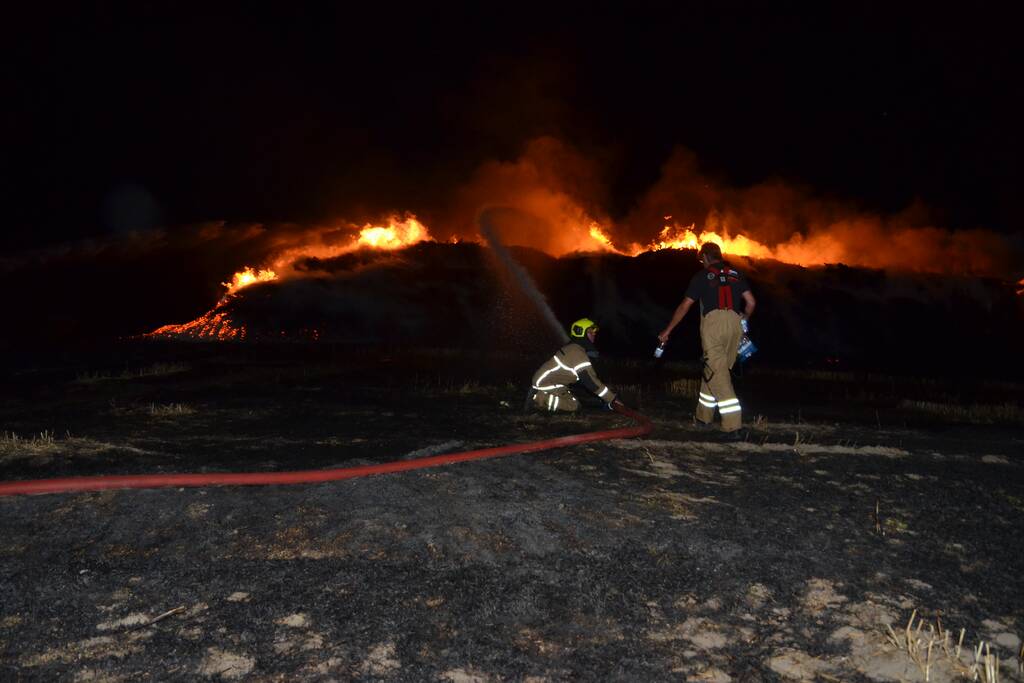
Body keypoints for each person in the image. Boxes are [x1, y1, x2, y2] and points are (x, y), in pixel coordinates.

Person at [658, 243, 756, 434]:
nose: (701, 263)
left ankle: (733, 426)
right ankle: (704, 417)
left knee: (718, 374)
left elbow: (685, 306)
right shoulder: (736, 274)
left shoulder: (702, 276)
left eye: (701, 259)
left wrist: (667, 330)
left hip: (713, 325)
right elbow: (751, 302)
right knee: (715, 369)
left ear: (705, 257)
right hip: (735, 324)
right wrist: (743, 319)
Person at [530, 318, 619, 412]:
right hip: (545, 384)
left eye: (594, 332)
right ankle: (540, 398)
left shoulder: (575, 348)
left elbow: (584, 379)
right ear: (581, 332)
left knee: (579, 399)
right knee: (573, 405)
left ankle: (542, 397)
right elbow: (590, 382)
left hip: (552, 383)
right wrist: (612, 399)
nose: (594, 334)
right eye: (590, 331)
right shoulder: (577, 352)